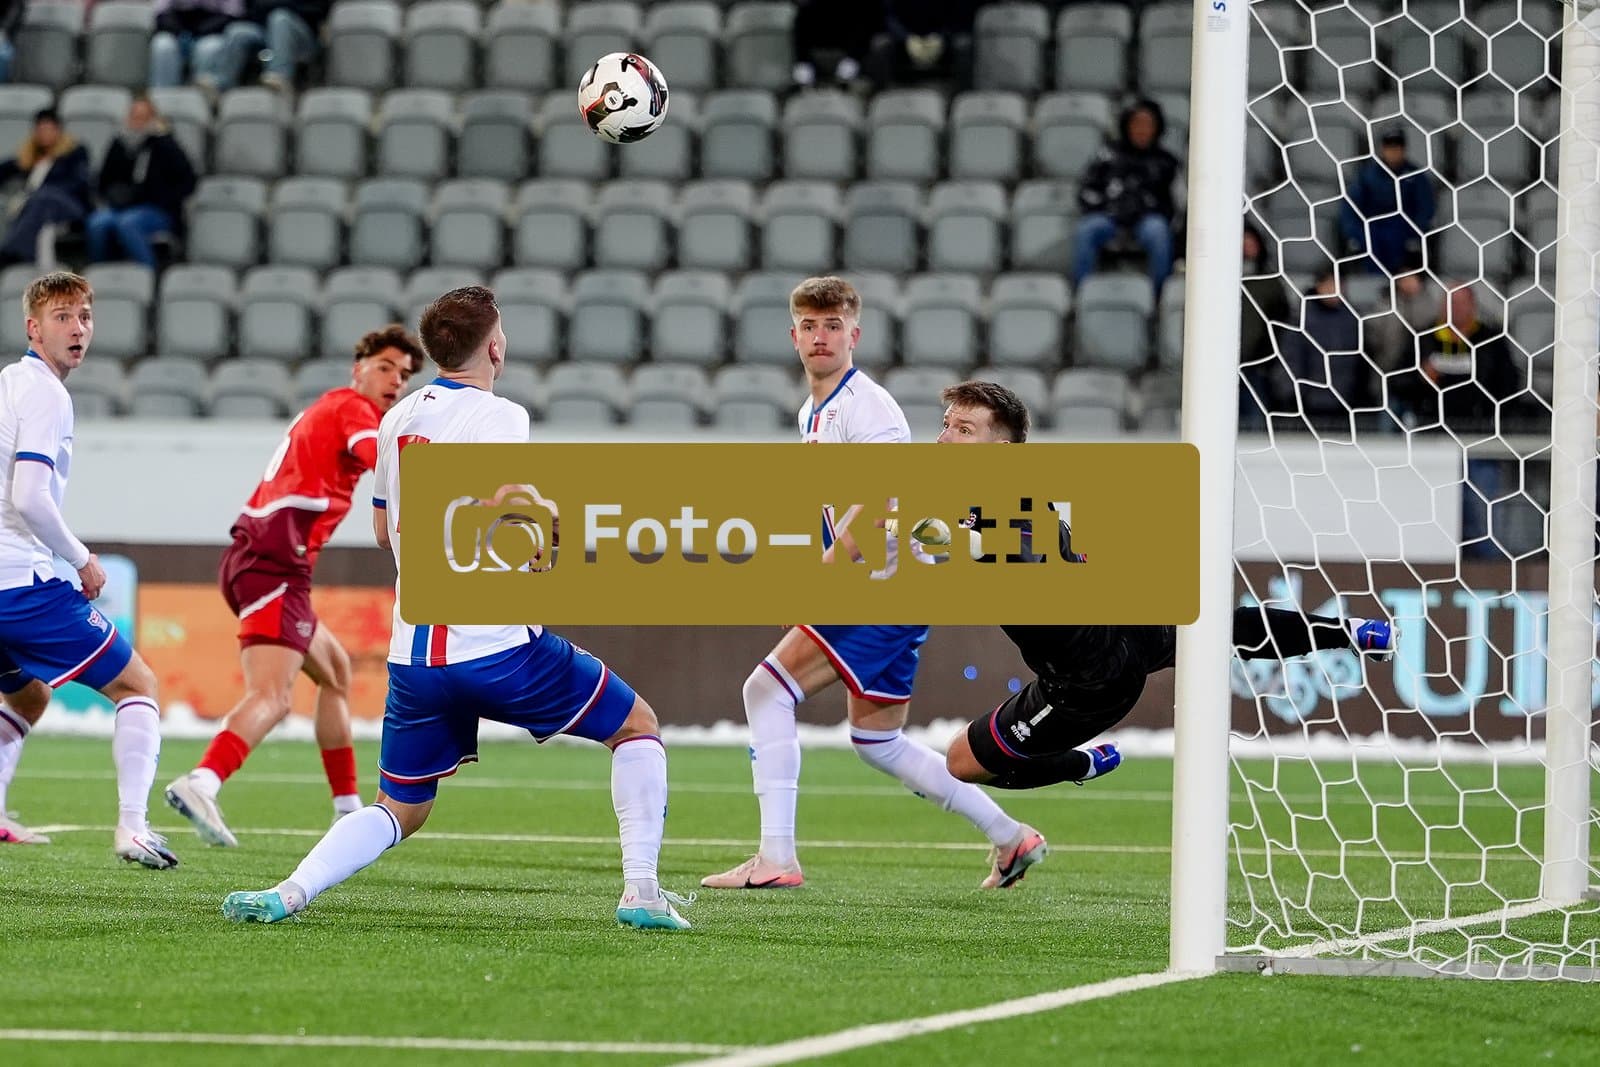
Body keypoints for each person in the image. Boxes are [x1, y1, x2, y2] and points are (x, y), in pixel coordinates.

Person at [221, 286, 693, 931]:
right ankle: (642, 894)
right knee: (636, 726)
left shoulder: (397, 417)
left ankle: (289, 892)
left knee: (401, 807)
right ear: (494, 346)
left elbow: (385, 532)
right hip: (496, 646)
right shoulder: (503, 417)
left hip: (414, 654)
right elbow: (504, 509)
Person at [701, 277, 1046, 893]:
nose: (820, 336)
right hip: (890, 583)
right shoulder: (815, 410)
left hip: (882, 581)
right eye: (809, 325)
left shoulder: (870, 408)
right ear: (794, 336)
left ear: (854, 335)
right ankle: (1011, 836)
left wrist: (818, 582)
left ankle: (776, 857)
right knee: (877, 740)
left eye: (833, 326)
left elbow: (884, 505)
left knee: (766, 690)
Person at [929, 380, 1399, 791]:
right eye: (946, 425)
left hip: (1087, 679)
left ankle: (1082, 763)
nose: (945, 438)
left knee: (962, 763)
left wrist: (955, 541)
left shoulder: (1011, 499)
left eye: (963, 430)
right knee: (1220, 628)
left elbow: (1026, 552)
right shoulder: (978, 498)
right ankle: (1351, 632)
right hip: (1125, 622)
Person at [164, 326, 423, 847]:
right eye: (385, 367)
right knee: (274, 696)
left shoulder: (335, 405)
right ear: (359, 369)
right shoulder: (355, 408)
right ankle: (202, 781)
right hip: (274, 559)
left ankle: (348, 808)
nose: (395, 381)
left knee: (335, 671)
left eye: (404, 374)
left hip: (266, 556)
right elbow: (386, 464)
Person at [0, 271, 177, 867]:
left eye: (84, 317)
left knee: (25, 695)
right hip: (18, 585)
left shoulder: (9, 383)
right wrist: (82, 558)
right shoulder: (47, 393)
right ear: (33, 328)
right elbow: (29, 497)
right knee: (139, 686)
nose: (77, 329)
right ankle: (133, 827)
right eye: (61, 317)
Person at [1072, 98, 1181, 298]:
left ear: (1157, 128)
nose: (1142, 130)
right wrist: (1111, 207)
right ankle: (1081, 294)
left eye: (1148, 124)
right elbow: (1086, 191)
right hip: (1109, 217)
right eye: (1137, 123)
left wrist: (1144, 208)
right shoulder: (1107, 155)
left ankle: (1160, 296)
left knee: (1159, 231)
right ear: (1126, 125)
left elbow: (1173, 203)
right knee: (1087, 229)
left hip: (1147, 219)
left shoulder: (1166, 162)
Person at [85, 95, 198, 270]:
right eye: (134, 116)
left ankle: (149, 276)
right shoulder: (118, 144)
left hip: (158, 209)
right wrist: (114, 195)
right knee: (97, 223)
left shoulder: (166, 145)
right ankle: (100, 273)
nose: (137, 122)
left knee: (128, 223)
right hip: (121, 207)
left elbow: (188, 181)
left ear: (152, 118)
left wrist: (162, 197)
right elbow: (103, 181)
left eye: (143, 117)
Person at [0, 110, 92, 268]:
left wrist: (42, 191)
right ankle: (19, 253)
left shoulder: (75, 153)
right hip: (38, 206)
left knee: (43, 196)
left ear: (58, 130)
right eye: (41, 130)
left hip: (69, 206)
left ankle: (12, 254)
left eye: (49, 129)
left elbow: (79, 184)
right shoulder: (29, 157)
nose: (44, 134)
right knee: (36, 202)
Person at [1340, 127, 1435, 277]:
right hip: (1372, 229)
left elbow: (1425, 208)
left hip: (1403, 230)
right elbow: (1350, 208)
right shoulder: (1366, 175)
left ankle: (1398, 281)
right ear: (1382, 149)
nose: (1394, 151)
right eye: (1389, 147)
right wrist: (1356, 233)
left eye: (1397, 146)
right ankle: (1375, 282)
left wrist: (1414, 233)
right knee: (1371, 239)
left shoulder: (1416, 176)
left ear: (1404, 149)